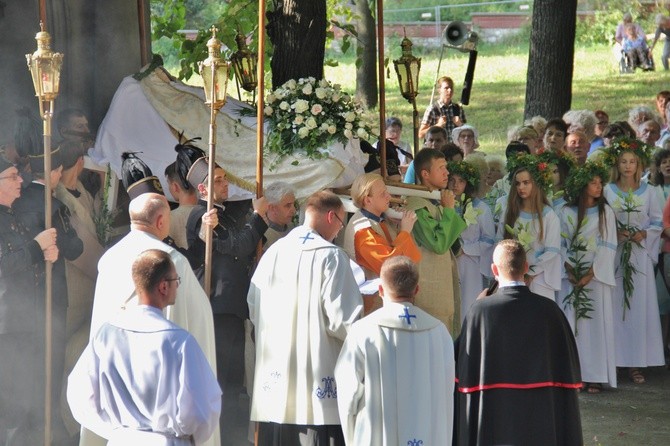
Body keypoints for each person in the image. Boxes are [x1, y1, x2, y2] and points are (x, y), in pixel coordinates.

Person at [87, 192, 218, 446]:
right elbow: (200, 321)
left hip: (120, 431)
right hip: (163, 432)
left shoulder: (109, 259)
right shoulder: (172, 261)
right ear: (160, 221)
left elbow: (83, 390)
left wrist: (110, 429)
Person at [68, 249, 221, 445]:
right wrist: (186, 439)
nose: (178, 286)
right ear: (164, 287)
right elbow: (204, 408)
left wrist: (114, 430)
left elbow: (80, 394)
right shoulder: (180, 342)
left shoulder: (106, 335)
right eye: (177, 281)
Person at [247, 190, 363, 446]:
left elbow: (253, 308)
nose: (337, 233)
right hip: (317, 393)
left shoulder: (272, 254)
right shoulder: (331, 256)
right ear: (332, 217)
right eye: (341, 225)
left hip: (274, 388)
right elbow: (344, 322)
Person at [455, 239, 583, 446]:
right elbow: (567, 366)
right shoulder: (550, 310)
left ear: (494, 270)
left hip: (495, 412)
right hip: (542, 411)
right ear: (526, 267)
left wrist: (478, 307)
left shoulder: (479, 311)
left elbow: (462, 362)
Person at [182, 154, 268, 441]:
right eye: (217, 180)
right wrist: (257, 217)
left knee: (232, 384)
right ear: (203, 189)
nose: (224, 183)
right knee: (218, 382)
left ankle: (230, 438)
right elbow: (238, 246)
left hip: (232, 309)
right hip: (216, 307)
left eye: (224, 178)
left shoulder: (225, 214)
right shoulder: (201, 216)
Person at [334, 256, 454, 446]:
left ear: (380, 289)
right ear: (416, 290)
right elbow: (447, 393)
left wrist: (351, 436)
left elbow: (348, 391)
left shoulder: (363, 331)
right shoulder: (439, 332)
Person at [12, 145, 84, 443]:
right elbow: (74, 248)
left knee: (27, 364)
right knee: (52, 363)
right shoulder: (54, 207)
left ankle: (27, 425)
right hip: (50, 298)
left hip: (23, 299)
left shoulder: (15, 202)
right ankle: (48, 427)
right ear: (55, 172)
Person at [0, 153, 59, 445]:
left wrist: (45, 254)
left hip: (25, 320)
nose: (20, 180)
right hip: (7, 327)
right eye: (12, 176)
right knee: (11, 404)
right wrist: (37, 248)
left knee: (26, 397)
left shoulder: (12, 215)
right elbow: (4, 265)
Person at [53, 140, 106, 436]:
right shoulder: (59, 199)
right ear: (80, 164)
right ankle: (67, 424)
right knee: (69, 357)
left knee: (84, 352)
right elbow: (80, 248)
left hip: (90, 291)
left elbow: (97, 219)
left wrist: (102, 190)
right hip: (74, 291)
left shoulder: (83, 192)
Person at [602, 138, 665, 384]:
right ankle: (615, 360)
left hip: (639, 254)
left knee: (637, 307)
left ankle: (636, 362)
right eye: (623, 161)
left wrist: (644, 234)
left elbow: (657, 221)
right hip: (616, 254)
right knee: (616, 306)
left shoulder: (650, 190)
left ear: (638, 164)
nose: (628, 166)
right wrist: (614, 234)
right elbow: (603, 220)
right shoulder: (608, 190)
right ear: (617, 165)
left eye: (632, 161)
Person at [560, 162, 618, 393]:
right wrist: (571, 269)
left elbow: (608, 244)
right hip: (571, 275)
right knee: (574, 326)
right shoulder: (566, 211)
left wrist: (590, 274)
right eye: (593, 183)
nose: (598, 186)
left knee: (594, 325)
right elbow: (561, 242)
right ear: (581, 185)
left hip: (595, 277)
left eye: (600, 182)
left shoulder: (606, 212)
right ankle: (575, 375)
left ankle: (595, 375)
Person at [405, 148, 466, 334]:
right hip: (428, 288)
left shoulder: (434, 201)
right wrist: (448, 210)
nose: (447, 172)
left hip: (442, 286)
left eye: (446, 167)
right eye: (441, 168)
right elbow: (438, 244)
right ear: (425, 174)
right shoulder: (417, 205)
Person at [343, 173, 421, 313]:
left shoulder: (380, 219)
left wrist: (398, 226)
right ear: (368, 200)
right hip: (371, 304)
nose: (389, 197)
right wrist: (404, 232)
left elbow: (411, 259)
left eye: (387, 192)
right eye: (382, 194)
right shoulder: (362, 230)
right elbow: (390, 266)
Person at [498, 153, 562, 301]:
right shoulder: (510, 212)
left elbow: (552, 250)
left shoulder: (548, 215)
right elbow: (500, 243)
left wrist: (530, 273)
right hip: (513, 277)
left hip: (539, 279)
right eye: (518, 183)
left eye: (526, 182)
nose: (521, 187)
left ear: (536, 183)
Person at [418, 76, 466, 141]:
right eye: (446, 88)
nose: (450, 90)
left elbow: (467, 133)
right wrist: (438, 126)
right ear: (439, 90)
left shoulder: (458, 109)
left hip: (453, 148)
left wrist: (460, 124)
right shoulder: (432, 109)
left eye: (451, 88)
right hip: (436, 149)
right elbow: (421, 134)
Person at [263, 181, 297, 252]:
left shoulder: (291, 227)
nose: (293, 210)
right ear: (272, 208)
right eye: (288, 205)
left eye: (294, 204)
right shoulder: (262, 237)